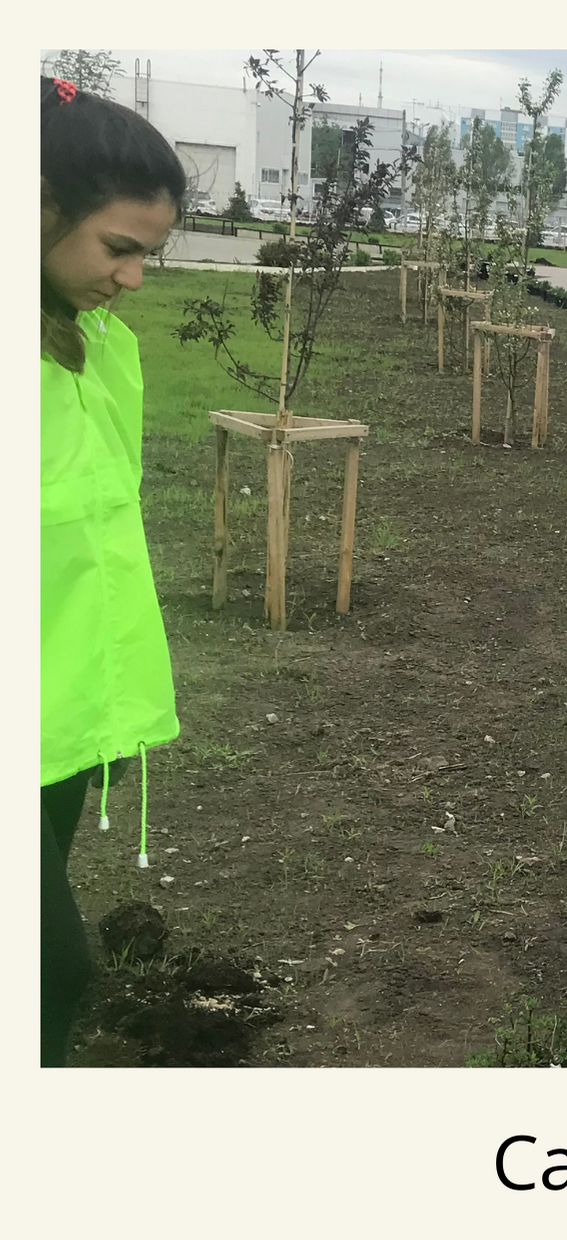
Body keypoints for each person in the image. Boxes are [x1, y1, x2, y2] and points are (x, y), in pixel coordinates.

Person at [41, 76, 186, 1065]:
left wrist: (102, 714)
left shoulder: (95, 351)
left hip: (56, 731)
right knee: (48, 975)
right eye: (118, 248)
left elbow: (93, 545)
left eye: (149, 256)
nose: (132, 277)